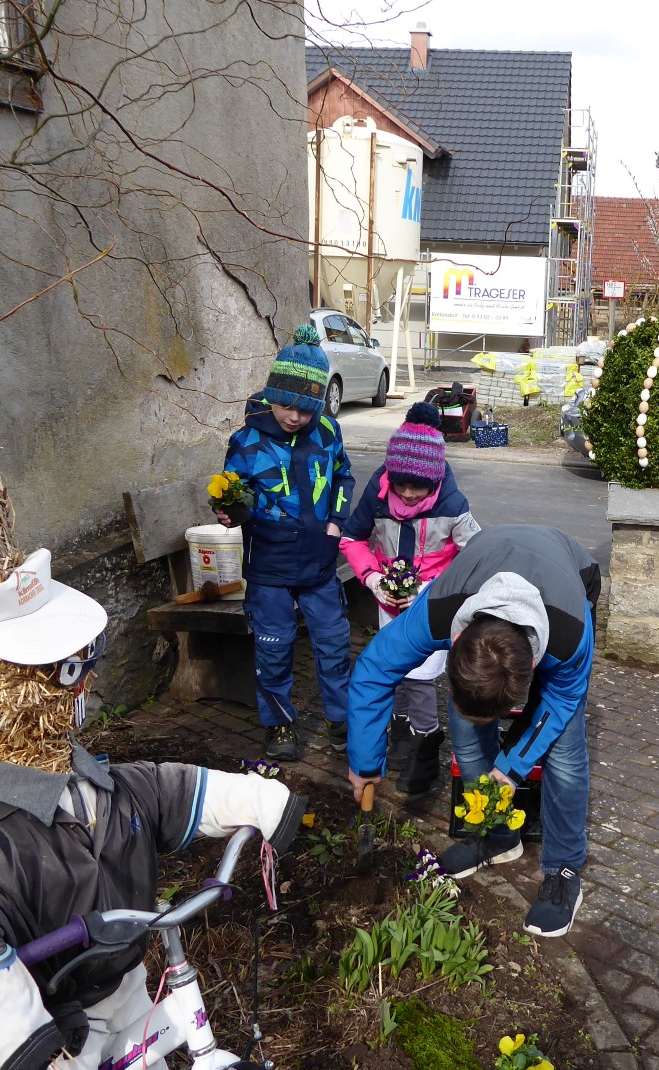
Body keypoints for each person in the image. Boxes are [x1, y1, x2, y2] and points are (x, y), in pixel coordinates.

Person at [0, 553, 306, 1070]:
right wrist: (9, 1022)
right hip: (52, 1031)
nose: (85, 683)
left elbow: (158, 792)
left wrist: (260, 802)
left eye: (87, 659)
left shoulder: (89, 783)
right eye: (69, 669)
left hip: (126, 993)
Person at [345, 525, 601, 938]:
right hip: (482, 570)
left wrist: (512, 766)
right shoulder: (439, 610)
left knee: (564, 750)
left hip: (569, 575)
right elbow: (374, 670)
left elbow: (559, 701)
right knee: (465, 731)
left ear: (533, 665)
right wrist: (365, 762)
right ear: (457, 639)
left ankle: (564, 869)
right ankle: (498, 837)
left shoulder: (570, 636)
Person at [216, 325, 355, 761]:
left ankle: (341, 719)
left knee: (334, 644)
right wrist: (229, 512)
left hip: (319, 564)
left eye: (305, 409)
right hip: (269, 566)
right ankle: (278, 723)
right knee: (273, 648)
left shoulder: (328, 432)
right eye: (287, 406)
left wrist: (336, 523)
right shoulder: (246, 441)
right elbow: (234, 494)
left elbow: (344, 477)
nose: (295, 417)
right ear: (272, 395)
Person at [340, 402, 480, 795]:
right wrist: (373, 579)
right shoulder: (379, 493)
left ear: (434, 480)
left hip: (432, 605)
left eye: (416, 487)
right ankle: (399, 730)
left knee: (420, 677)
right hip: (389, 601)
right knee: (392, 669)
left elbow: (476, 556)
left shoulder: (452, 505)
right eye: (400, 483)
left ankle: (426, 742)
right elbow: (352, 539)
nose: (406, 493)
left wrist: (431, 591)